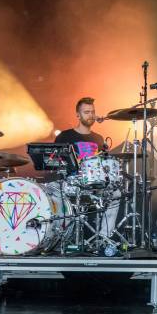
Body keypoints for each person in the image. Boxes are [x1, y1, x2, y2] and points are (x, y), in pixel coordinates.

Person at [55, 97, 119, 240]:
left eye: (93, 112)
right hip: (72, 183)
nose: (91, 115)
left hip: (93, 185)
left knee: (116, 194)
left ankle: (104, 237)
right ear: (78, 115)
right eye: (86, 112)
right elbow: (56, 162)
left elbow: (104, 165)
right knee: (55, 193)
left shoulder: (98, 138)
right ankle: (61, 236)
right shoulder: (65, 136)